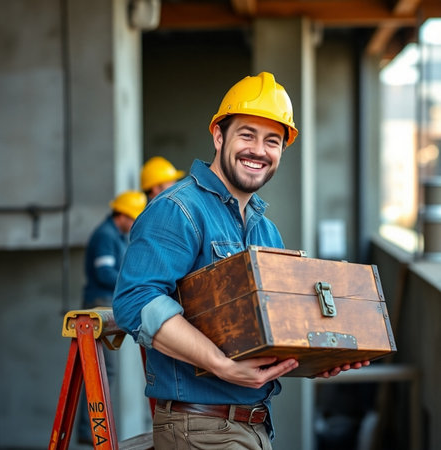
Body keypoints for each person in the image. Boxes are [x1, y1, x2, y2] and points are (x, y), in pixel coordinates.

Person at [113, 72, 369, 449]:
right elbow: (136, 302)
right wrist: (221, 365)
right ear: (219, 135)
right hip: (200, 427)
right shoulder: (178, 210)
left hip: (255, 425)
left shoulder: (267, 231)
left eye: (272, 141)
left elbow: (271, 330)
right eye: (247, 135)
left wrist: (317, 355)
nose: (259, 150)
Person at [77, 190, 147, 445]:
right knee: (103, 369)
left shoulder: (116, 235)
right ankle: (90, 430)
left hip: (108, 304)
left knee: (105, 369)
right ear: (124, 215)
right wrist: (133, 283)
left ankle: (91, 428)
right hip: (99, 305)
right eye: (134, 219)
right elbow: (105, 273)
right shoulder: (106, 236)